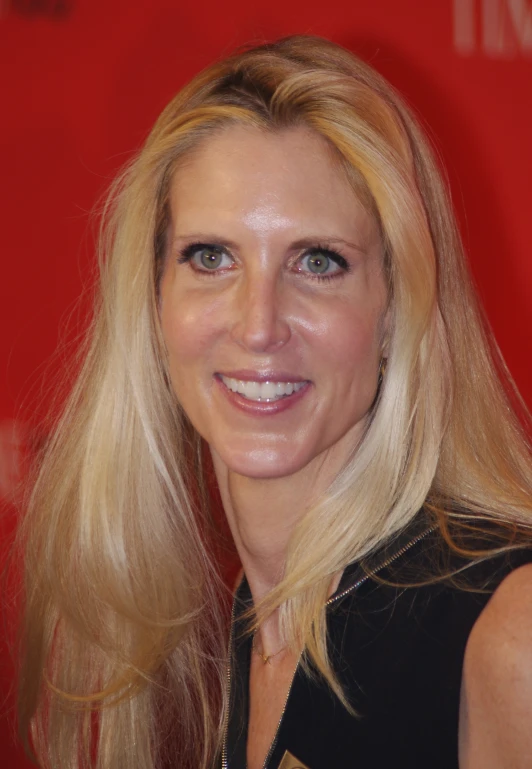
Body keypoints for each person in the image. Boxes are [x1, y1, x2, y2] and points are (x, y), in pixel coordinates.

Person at [17, 35, 532, 769]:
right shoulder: (257, 619)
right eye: (211, 257)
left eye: (318, 261)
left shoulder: (508, 632)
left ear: (396, 312)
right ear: (153, 301)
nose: (258, 324)